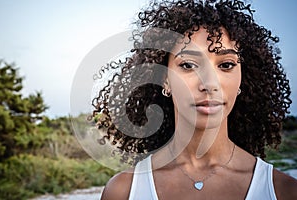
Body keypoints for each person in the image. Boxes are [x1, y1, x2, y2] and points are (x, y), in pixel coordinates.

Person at [92, 0, 297, 199]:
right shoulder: (123, 192)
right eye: (189, 65)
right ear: (165, 79)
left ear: (243, 79)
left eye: (226, 65)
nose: (209, 83)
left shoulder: (284, 192)